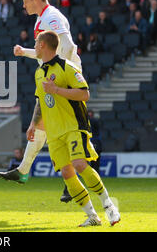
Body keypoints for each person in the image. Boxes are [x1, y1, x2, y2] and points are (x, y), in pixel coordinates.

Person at [0, 0, 84, 203]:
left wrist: (59, 74)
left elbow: (67, 45)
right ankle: (25, 170)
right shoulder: (41, 19)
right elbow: (44, 53)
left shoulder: (51, 16)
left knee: (62, 127)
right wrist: (24, 52)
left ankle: (67, 181)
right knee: (44, 125)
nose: (23, 5)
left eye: (25, 1)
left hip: (64, 79)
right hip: (56, 78)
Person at [31, 30, 120, 226]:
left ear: (44, 45)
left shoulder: (67, 67)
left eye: (36, 43)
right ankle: (92, 217)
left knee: (79, 164)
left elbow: (84, 94)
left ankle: (109, 206)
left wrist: (56, 90)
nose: (34, 46)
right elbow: (40, 102)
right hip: (54, 133)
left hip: (73, 126)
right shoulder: (39, 72)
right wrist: (33, 125)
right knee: (67, 173)